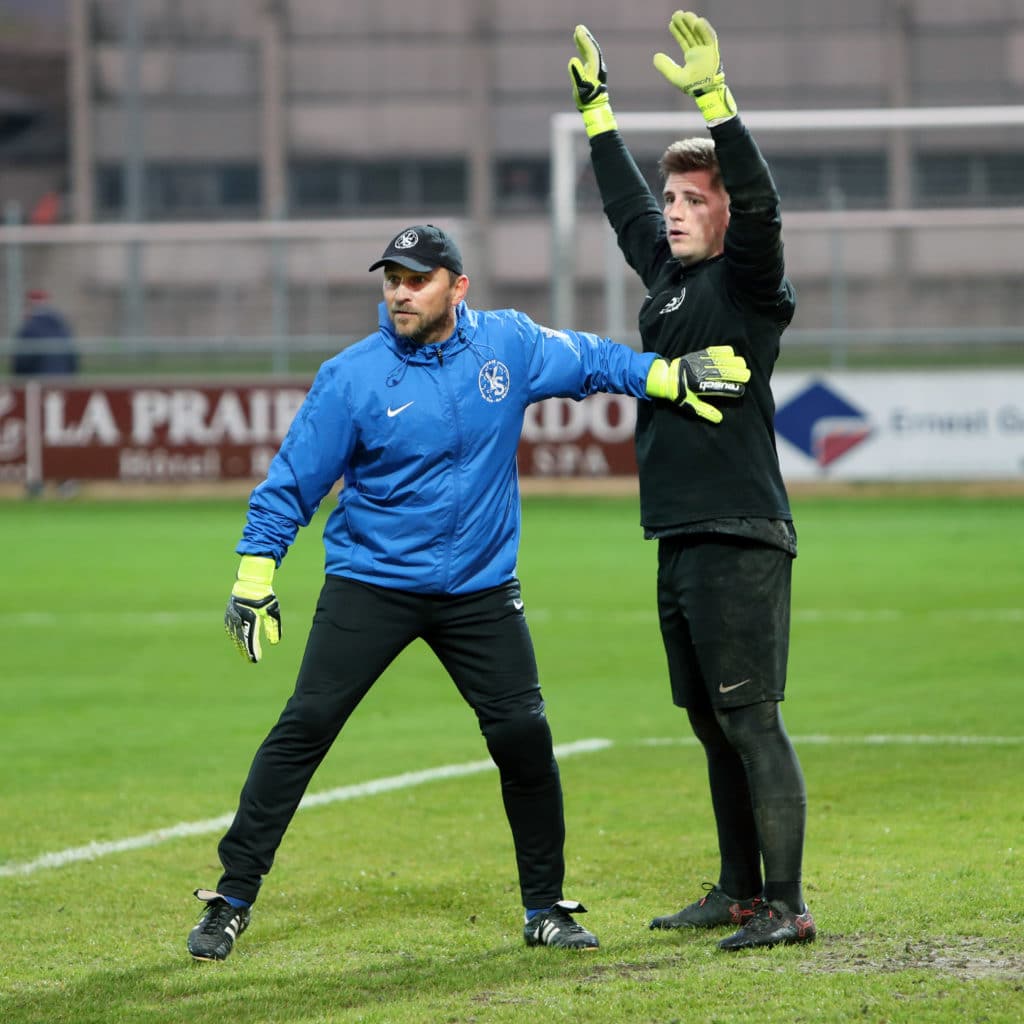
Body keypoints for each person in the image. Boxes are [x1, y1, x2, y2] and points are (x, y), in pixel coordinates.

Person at [186, 223, 751, 961]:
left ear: (458, 287)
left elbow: (590, 361)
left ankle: (545, 908)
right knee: (306, 729)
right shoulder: (352, 377)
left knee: (524, 741)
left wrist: (667, 377)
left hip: (480, 590)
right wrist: (253, 574)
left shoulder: (507, 345)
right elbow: (292, 483)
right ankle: (231, 898)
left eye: (416, 279)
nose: (398, 293)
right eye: (390, 279)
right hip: (373, 582)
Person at [567, 12, 815, 951]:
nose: (672, 209)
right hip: (679, 532)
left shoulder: (751, 286)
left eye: (691, 198)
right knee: (713, 723)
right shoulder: (666, 285)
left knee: (751, 719)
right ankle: (740, 891)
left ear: (722, 212)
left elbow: (762, 209)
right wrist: (597, 114)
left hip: (740, 529)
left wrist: (717, 107)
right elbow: (624, 208)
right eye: (672, 195)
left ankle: (787, 906)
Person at [10, 289, 79, 497]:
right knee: (61, 436)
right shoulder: (62, 326)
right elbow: (73, 359)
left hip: (36, 391)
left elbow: (21, 362)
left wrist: (20, 383)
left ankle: (36, 483)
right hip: (62, 389)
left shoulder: (29, 328)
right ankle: (65, 481)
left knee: (35, 437)